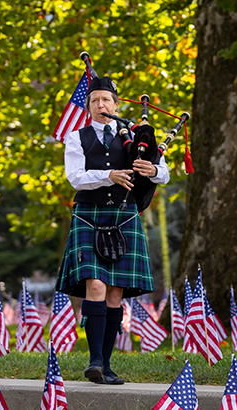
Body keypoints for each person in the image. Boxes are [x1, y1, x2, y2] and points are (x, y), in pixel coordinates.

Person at [57, 76, 170, 384]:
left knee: (115, 292)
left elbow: (165, 172)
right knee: (96, 286)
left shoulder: (133, 135)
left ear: (116, 104)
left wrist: (154, 170)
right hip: (89, 216)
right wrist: (110, 175)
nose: (101, 105)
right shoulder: (76, 137)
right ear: (89, 106)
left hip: (123, 216)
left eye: (106, 100)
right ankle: (94, 361)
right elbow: (76, 178)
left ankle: (106, 365)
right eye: (95, 101)